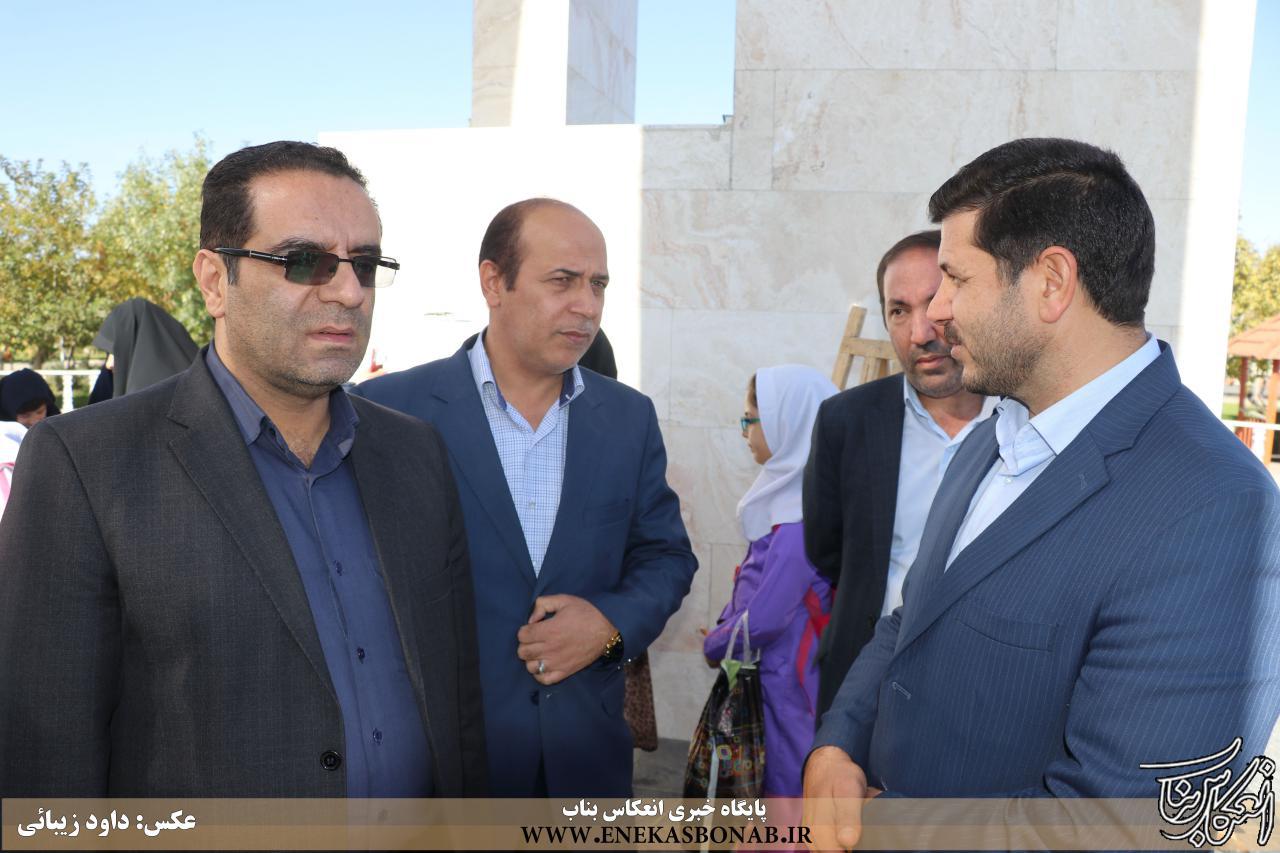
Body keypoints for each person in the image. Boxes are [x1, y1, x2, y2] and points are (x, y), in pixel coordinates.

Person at [804, 137, 1280, 849]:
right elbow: (912, 618)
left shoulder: (1217, 507)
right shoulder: (992, 438)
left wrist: (882, 826)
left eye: (955, 279)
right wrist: (836, 744)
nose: (935, 311)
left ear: (1052, 282)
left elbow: (1127, 828)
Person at [0, 140, 486, 797]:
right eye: (304, 261)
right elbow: (46, 753)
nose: (349, 291)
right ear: (213, 281)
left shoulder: (417, 452)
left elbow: (456, 701)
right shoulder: (85, 464)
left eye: (366, 265)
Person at [358, 197, 697, 797]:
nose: (586, 305)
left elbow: (666, 557)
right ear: (494, 282)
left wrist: (608, 624)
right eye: (562, 281)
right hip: (440, 774)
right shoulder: (388, 411)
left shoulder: (628, 418)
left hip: (585, 765)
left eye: (598, 284)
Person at [802, 231, 994, 719]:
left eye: (935, 301)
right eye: (899, 310)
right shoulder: (846, 421)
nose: (920, 332)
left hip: (988, 696)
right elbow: (828, 551)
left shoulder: (1028, 420)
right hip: (865, 688)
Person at [703, 365, 836, 796]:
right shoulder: (791, 500)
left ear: (786, 424)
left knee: (785, 783)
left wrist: (715, 644)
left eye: (750, 420)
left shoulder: (798, 520)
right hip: (775, 669)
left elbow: (765, 618)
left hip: (789, 678)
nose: (745, 432)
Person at [91, 297, 201, 399]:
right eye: (109, 353)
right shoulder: (109, 378)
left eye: (116, 352)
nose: (109, 364)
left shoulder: (169, 395)